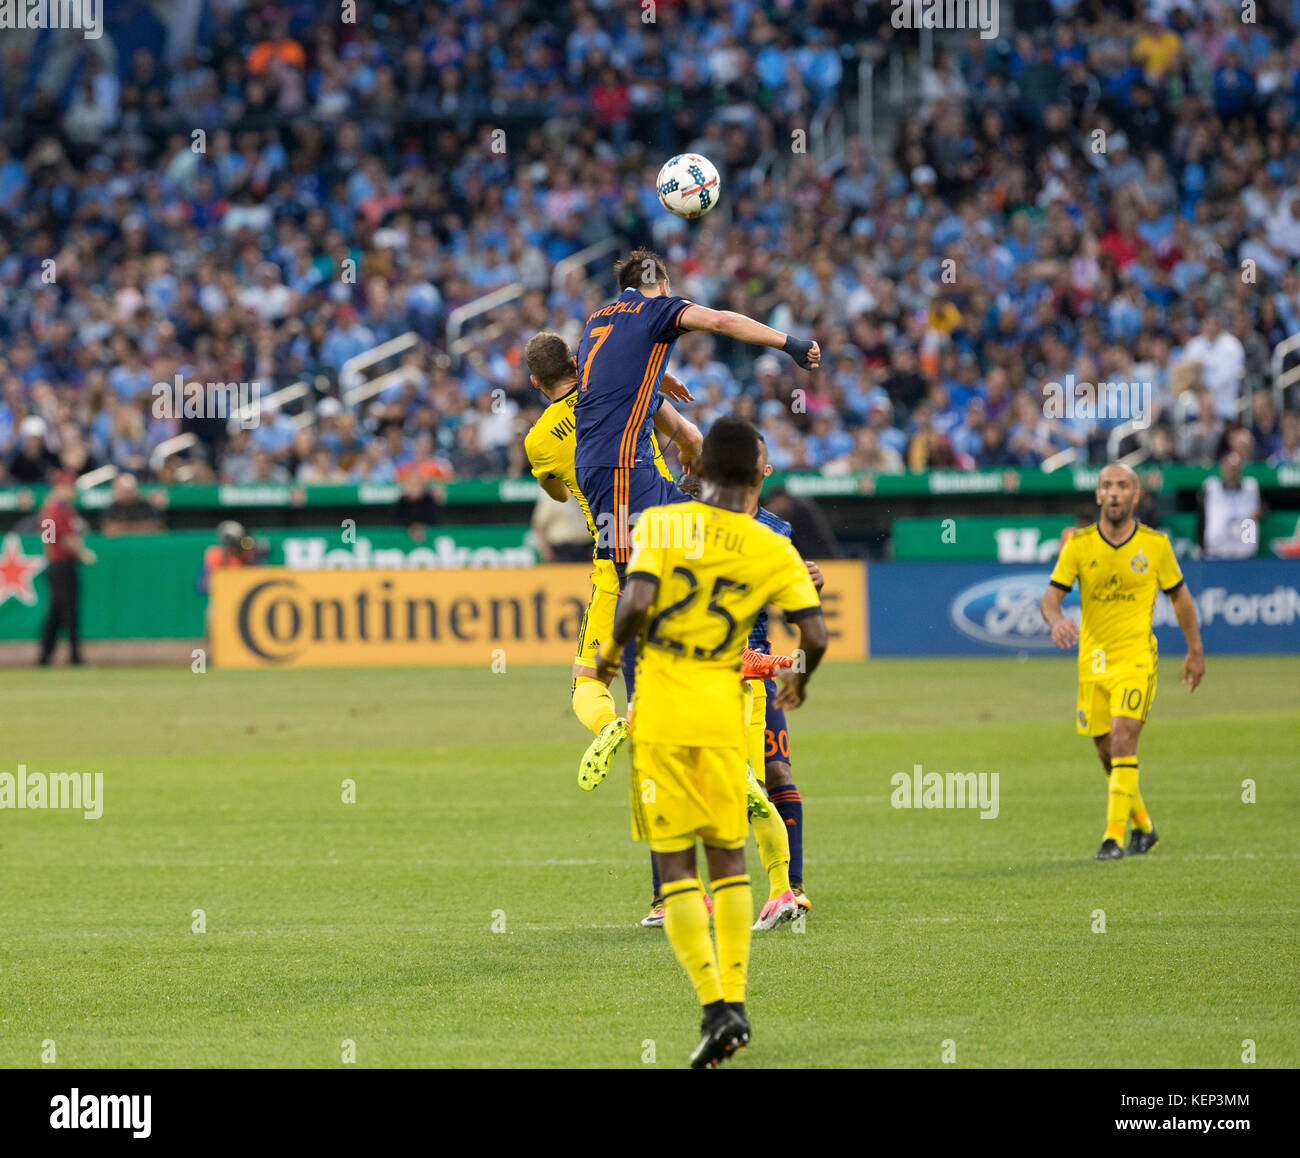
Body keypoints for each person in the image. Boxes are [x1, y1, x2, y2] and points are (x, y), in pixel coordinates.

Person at [594, 416, 827, 1067]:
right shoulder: (772, 546)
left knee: (676, 869)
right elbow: (815, 636)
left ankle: (712, 1006)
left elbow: (635, 604)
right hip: (727, 716)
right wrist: (801, 683)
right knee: (728, 860)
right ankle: (737, 999)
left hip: (664, 716)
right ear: (759, 474)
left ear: (697, 470)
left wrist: (607, 658)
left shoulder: (661, 527)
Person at [521, 331, 701, 786]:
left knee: (589, 680)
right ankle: (726, 763)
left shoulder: (539, 440)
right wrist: (687, 464)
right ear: (577, 363)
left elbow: (557, 493)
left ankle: (607, 725)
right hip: (670, 534)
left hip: (614, 556)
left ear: (534, 380)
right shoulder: (624, 390)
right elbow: (691, 436)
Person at [1039, 463, 1205, 861]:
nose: (1114, 493)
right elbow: (1049, 598)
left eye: (1123, 486)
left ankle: (1112, 838)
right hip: (1092, 662)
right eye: (1107, 486)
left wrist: (1195, 651)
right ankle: (1144, 829)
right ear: (1098, 495)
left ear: (1136, 496)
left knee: (1123, 737)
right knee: (1105, 752)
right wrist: (1057, 618)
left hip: (1135, 658)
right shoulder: (1078, 545)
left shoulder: (1156, 546)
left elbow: (1180, 597)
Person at [37, 470, 96, 666]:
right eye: (69, 487)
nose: (72, 491)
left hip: (58, 564)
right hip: (61, 565)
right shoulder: (55, 510)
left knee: (56, 613)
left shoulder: (59, 509)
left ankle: (45, 657)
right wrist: (82, 554)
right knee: (68, 612)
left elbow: (51, 540)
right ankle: (74, 657)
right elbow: (61, 540)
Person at [1199, 451, 1262, 559]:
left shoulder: (1251, 487)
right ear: (1223, 469)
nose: (1233, 472)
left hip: (1245, 552)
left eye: (1235, 469)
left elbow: (1262, 509)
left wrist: (1259, 513)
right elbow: (1201, 517)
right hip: (1216, 551)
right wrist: (1201, 545)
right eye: (1230, 468)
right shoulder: (1211, 488)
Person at [100, 473, 165, 536]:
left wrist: (124, 528)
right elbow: (108, 529)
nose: (126, 495)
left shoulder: (145, 506)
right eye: (123, 492)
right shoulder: (112, 507)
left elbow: (154, 527)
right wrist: (136, 528)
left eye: (129, 491)